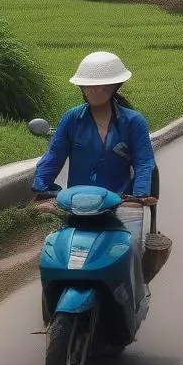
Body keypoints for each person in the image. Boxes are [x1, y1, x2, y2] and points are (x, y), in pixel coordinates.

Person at [32, 51, 156, 278]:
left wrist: (139, 195)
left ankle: (135, 298)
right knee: (55, 252)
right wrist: (42, 188)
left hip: (120, 202)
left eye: (102, 86)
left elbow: (144, 162)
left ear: (115, 87)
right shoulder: (71, 119)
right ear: (81, 89)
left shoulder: (133, 122)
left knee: (134, 250)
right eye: (89, 86)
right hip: (78, 204)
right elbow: (53, 156)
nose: (95, 91)